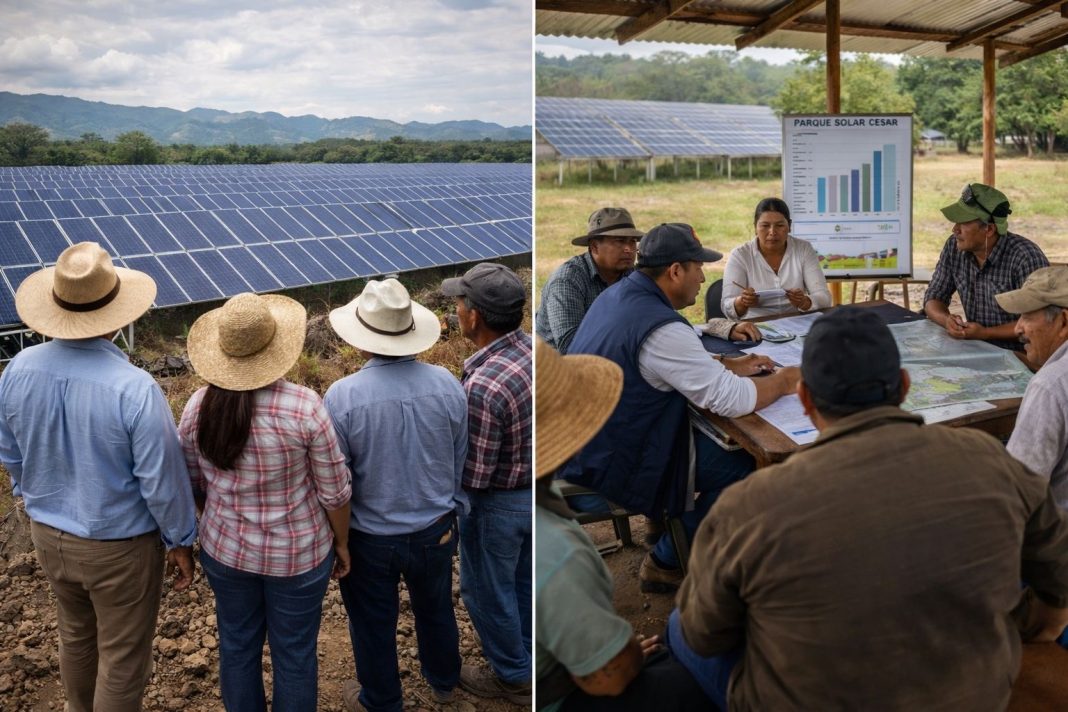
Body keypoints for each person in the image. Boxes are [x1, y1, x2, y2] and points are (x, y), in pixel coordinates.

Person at [669, 307, 1068, 711]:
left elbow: (706, 635)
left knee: (677, 624)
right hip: (974, 694)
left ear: (805, 397)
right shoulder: (992, 460)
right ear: (904, 385)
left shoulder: (747, 506)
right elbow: (1055, 584)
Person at [0, 241, 197, 712]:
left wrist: (28, 492)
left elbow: (10, 450)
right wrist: (180, 541)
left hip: (48, 536)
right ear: (116, 313)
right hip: (119, 548)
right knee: (123, 657)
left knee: (75, 637)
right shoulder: (135, 389)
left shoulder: (18, 369)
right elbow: (161, 482)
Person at [561, 223, 800, 593]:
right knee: (750, 467)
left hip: (586, 442)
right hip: (609, 462)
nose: (703, 278)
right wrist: (787, 380)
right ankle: (667, 560)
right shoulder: (660, 327)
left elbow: (664, 359)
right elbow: (731, 400)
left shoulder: (622, 295)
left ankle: (676, 537)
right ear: (675, 271)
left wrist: (726, 363)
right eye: (698, 267)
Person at [179, 292, 352, 712]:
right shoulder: (305, 408)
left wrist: (219, 517)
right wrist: (342, 543)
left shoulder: (198, 406)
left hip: (226, 551)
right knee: (294, 655)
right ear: (277, 347)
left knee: (237, 647)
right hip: (298, 555)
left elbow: (193, 481)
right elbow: (334, 491)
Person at [535, 339, 711, 712]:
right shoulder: (556, 551)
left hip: (565, 664)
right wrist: (622, 656)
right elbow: (611, 676)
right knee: (690, 679)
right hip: (562, 694)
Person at [324, 278, 469, 712]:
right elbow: (458, 458)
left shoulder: (342, 397)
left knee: (372, 622)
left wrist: (341, 541)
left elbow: (338, 482)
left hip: (370, 538)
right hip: (436, 529)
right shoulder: (448, 384)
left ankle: (382, 699)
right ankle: (444, 681)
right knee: (437, 607)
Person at [440, 263, 533, 705]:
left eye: (459, 302)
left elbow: (474, 476)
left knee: (487, 590)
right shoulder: (534, 352)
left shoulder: (484, 386)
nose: (455, 309)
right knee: (524, 581)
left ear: (474, 316)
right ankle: (531, 655)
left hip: (500, 505)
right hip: (536, 493)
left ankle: (514, 676)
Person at [924, 183, 1049, 350]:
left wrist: (986, 333)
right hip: (977, 347)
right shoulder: (953, 247)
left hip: (1021, 355)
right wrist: (946, 320)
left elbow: (1041, 323)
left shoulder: (1025, 257)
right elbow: (933, 297)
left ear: (989, 229)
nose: (955, 229)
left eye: (963, 223)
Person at [997, 266, 1068, 508]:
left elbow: (1017, 490)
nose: (1017, 328)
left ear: (1064, 321)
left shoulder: (1051, 386)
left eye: (1027, 316)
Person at [536, 207, 643, 353]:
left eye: (632, 241)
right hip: (557, 367)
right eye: (619, 241)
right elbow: (571, 347)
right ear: (594, 247)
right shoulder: (567, 281)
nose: (628, 249)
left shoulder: (632, 275)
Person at [721, 197, 831, 319]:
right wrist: (742, 302)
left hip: (796, 322)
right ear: (755, 228)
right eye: (765, 225)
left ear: (789, 226)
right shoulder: (740, 255)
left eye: (779, 225)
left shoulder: (803, 249)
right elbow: (727, 307)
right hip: (755, 325)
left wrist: (805, 302)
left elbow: (824, 298)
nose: (772, 232)